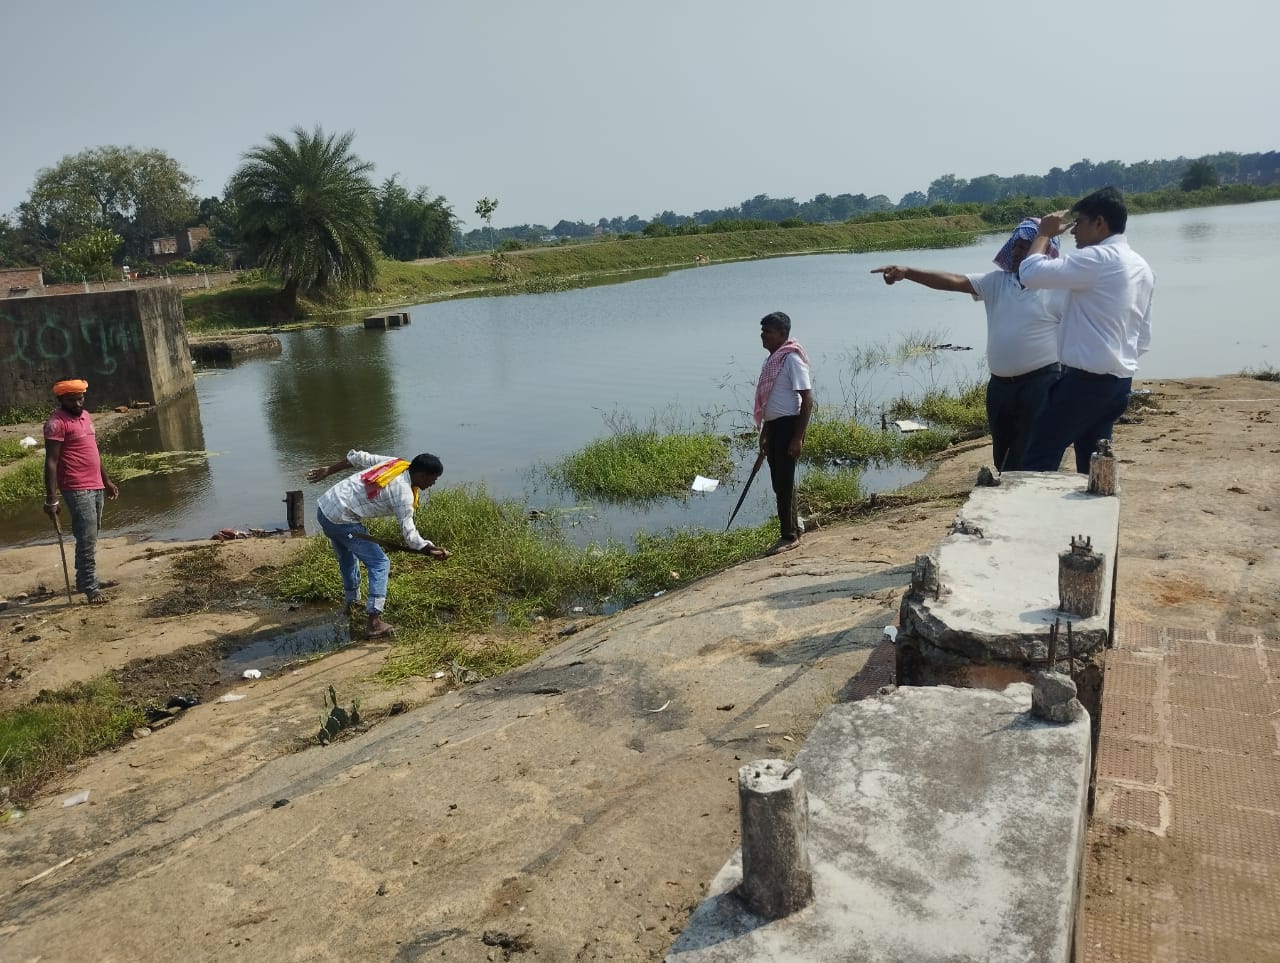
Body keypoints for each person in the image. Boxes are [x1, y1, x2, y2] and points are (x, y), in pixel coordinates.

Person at [870, 219, 1065, 471]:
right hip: (1000, 387)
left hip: (1041, 384)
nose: (1017, 251)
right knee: (1003, 453)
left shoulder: (1057, 289)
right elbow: (952, 280)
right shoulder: (996, 282)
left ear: (1044, 252)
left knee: (1032, 453)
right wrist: (907, 272)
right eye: (1015, 245)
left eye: (1026, 246)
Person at [1017, 187, 1155, 473]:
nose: (1073, 231)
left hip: (1084, 384)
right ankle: (1091, 517)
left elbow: (1029, 274)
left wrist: (1044, 233)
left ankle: (1031, 517)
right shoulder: (1141, 266)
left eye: (1079, 222)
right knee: (1093, 466)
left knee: (1037, 460)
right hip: (1118, 382)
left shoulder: (1097, 258)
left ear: (1100, 223)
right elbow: (1142, 336)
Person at [307, 449, 450, 638]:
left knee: (348, 558)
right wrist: (428, 548)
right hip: (340, 519)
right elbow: (409, 533)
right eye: (433, 479)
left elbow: (358, 457)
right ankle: (374, 623)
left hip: (325, 506)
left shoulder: (395, 464)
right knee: (380, 563)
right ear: (421, 475)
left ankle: (352, 604)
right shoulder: (404, 495)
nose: (433, 483)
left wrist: (328, 470)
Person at [43, 379, 119, 605]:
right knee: (85, 537)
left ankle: (84, 579)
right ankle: (90, 587)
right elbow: (51, 462)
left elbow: (93, 451)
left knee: (92, 534)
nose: (77, 403)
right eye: (71, 400)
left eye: (80, 398)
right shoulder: (56, 423)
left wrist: (106, 480)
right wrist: (51, 498)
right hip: (76, 486)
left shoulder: (86, 416)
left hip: (95, 484)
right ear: (61, 400)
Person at [754, 311, 814, 556]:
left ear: (782, 334)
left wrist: (797, 437)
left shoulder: (791, 359)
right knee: (780, 483)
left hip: (790, 425)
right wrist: (765, 434)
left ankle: (789, 536)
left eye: (767, 331)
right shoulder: (771, 361)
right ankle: (794, 526)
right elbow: (769, 401)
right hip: (775, 427)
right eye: (762, 331)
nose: (762, 335)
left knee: (785, 482)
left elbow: (807, 400)